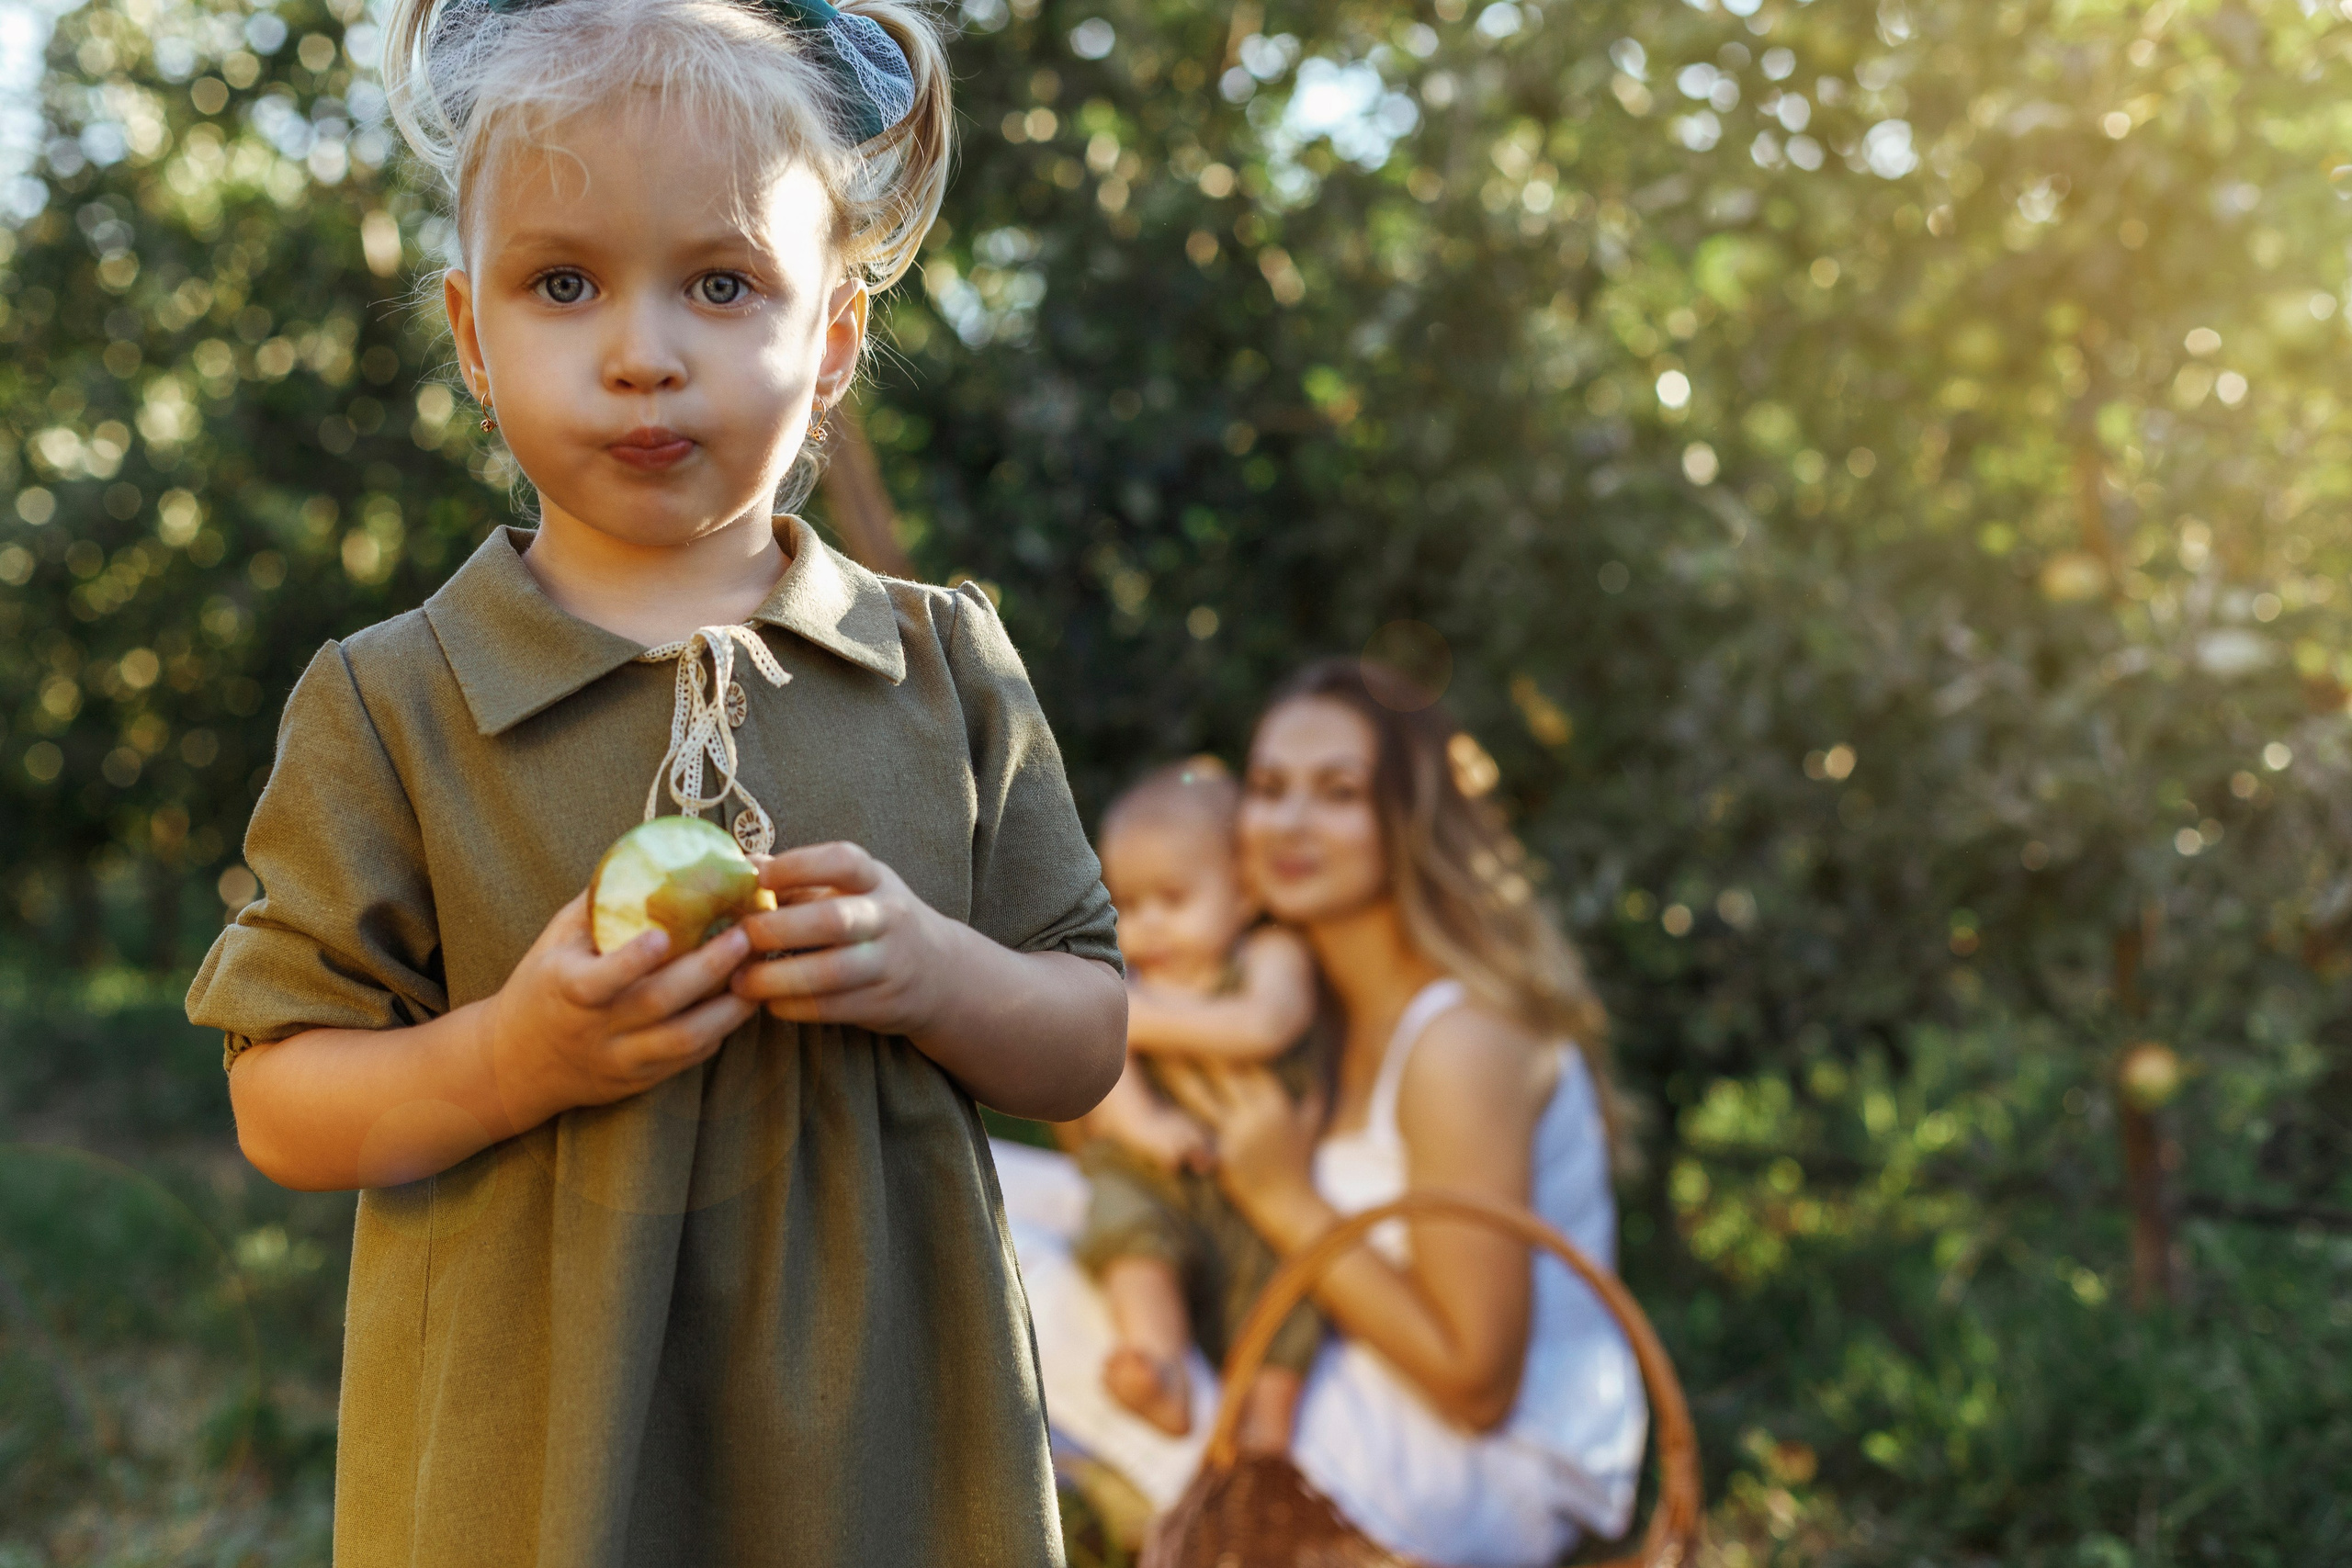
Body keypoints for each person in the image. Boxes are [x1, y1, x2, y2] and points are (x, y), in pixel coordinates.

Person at [183, 2, 1125, 1562]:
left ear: (828, 339)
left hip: (889, 1468)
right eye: (564, 283)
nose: (640, 351)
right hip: (532, 1468)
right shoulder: (395, 697)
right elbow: (284, 1099)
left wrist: (931, 970)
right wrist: (509, 1058)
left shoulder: (946, 668)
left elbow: (1086, 1032)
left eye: (720, 282)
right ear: (474, 336)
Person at [1012, 659, 1646, 1568]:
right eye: (1269, 789)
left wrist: (1280, 1195)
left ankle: (1202, 1518)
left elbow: (1479, 1385)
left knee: (1000, 1264)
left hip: (1475, 1465)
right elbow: (1120, 1165)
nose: (1290, 823)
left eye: (1337, 792)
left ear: (1407, 820)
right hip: (1316, 1370)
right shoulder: (1295, 998)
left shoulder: (1459, 1040)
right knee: (960, 1181)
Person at [1067, 758, 1325, 1451]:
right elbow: (1108, 1079)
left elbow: (1265, 1024)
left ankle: (1267, 1443)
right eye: (1130, 904)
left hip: (1258, 1193)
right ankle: (1163, 1368)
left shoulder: (1272, 953)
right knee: (1127, 1236)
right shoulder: (1134, 979)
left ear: (1243, 892)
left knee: (1289, 1295)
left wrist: (1128, 1013)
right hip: (1157, 1175)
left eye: (1173, 899)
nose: (1149, 925)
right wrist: (1147, 1128)